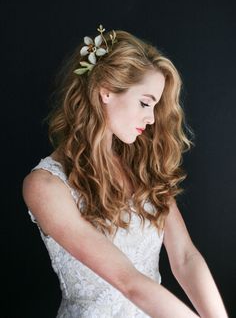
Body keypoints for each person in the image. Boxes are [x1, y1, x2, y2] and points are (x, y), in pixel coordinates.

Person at [22, 24, 228, 318]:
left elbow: (185, 257)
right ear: (106, 91)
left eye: (155, 107)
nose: (151, 118)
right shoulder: (45, 186)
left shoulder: (142, 167)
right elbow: (128, 282)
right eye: (145, 103)